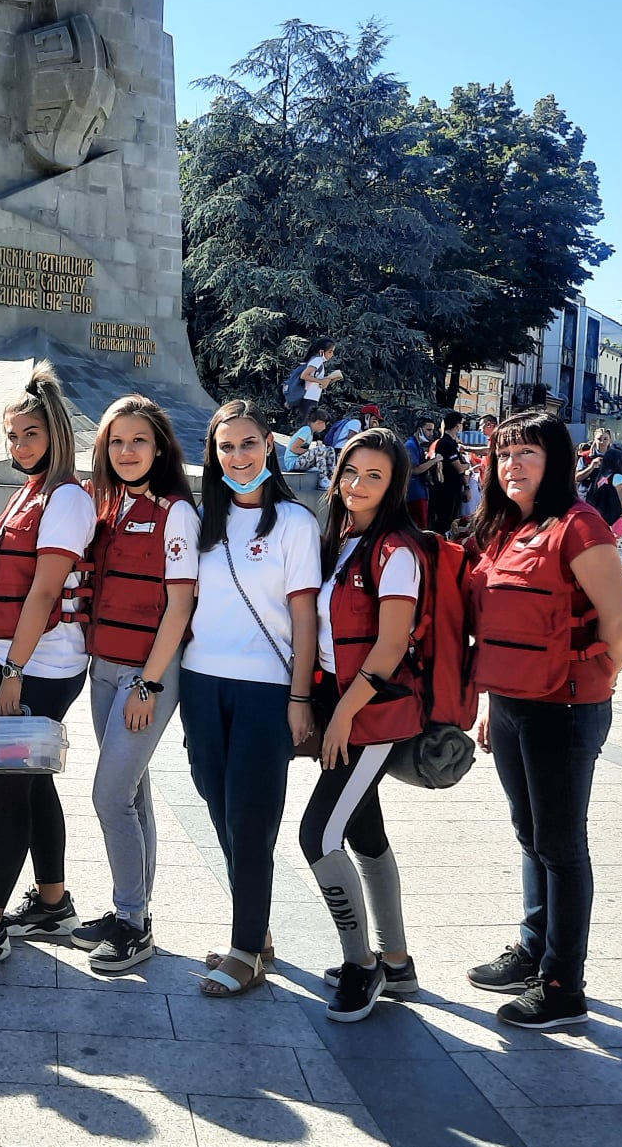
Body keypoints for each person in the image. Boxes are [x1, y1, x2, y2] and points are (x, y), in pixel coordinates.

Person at [465, 411, 622, 1029]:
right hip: (514, 704)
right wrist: (495, 705)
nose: (512, 465)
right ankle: (533, 948)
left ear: (556, 461)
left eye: (527, 453)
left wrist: (594, 683)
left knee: (561, 846)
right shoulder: (505, 527)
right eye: (504, 454)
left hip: (564, 706)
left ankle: (564, 984)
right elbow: (502, 627)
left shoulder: (579, 526)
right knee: (530, 834)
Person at [0, 366, 97, 975]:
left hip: (43, 665)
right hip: (16, 659)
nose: (20, 445)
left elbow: (44, 593)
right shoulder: (27, 492)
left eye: (30, 434)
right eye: (12, 435)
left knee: (7, 789)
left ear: (55, 433)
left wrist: (13, 670)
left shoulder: (66, 499)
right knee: (32, 781)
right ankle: (53, 902)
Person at [181, 401, 322, 997]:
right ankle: (256, 932)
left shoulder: (294, 522)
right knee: (218, 805)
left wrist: (300, 696)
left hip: (266, 687)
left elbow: (305, 617)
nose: (238, 457)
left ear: (269, 445)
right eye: (226, 447)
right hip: (200, 682)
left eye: (248, 444)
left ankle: (244, 951)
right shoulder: (199, 521)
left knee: (251, 815)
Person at [72, 395, 199, 974]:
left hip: (145, 674)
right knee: (132, 792)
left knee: (109, 796)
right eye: (117, 441)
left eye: (138, 440)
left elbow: (179, 606)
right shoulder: (107, 504)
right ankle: (135, 911)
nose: (127, 451)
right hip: (104, 669)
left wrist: (148, 685)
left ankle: (131, 923)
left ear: (159, 447)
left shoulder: (175, 513)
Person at [305, 429, 424, 1022]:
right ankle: (396, 962)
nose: (358, 484)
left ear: (394, 485)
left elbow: (391, 646)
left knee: (318, 836)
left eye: (374, 476)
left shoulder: (396, 550)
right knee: (365, 833)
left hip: (372, 716)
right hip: (342, 705)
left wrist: (343, 718)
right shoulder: (340, 539)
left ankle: (362, 964)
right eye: (351, 471)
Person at [427, 413, 473, 535]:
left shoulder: (451, 442)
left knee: (449, 520)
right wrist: (467, 465)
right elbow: (459, 468)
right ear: (457, 425)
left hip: (450, 487)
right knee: (445, 521)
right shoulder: (447, 443)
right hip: (447, 488)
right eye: (462, 424)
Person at [291, 339, 343, 425]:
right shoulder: (317, 360)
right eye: (330, 351)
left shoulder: (316, 360)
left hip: (310, 398)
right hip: (308, 398)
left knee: (307, 424)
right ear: (322, 351)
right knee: (307, 425)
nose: (332, 354)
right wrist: (321, 381)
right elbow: (304, 375)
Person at [278, 413, 335, 487]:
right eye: (325, 424)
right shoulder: (306, 430)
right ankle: (322, 478)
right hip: (293, 463)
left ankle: (331, 477)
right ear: (318, 422)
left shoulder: (310, 432)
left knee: (330, 449)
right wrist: (310, 452)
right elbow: (294, 449)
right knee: (319, 450)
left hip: (299, 461)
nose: (324, 428)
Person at [403, 416, 439, 530]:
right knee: (420, 527)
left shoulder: (416, 445)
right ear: (419, 430)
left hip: (420, 492)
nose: (431, 433)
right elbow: (414, 469)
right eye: (428, 430)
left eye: (432, 430)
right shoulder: (410, 445)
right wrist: (434, 461)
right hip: (414, 494)